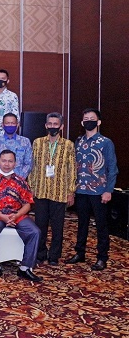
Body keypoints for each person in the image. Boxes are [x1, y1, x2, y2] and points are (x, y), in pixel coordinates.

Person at [66, 108, 118, 271]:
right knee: (82, 223)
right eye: (86, 119)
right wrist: (72, 189)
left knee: (101, 225)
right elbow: (73, 167)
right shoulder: (78, 141)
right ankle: (80, 252)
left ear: (98, 122)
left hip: (99, 191)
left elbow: (112, 168)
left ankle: (102, 257)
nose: (89, 121)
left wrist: (109, 190)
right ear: (82, 123)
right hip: (81, 190)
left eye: (92, 119)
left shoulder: (106, 142)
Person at [0, 150, 42, 282]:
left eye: (10, 161)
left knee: (35, 231)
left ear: (15, 163)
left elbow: (28, 204)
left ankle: (25, 268)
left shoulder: (21, 181)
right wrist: (1, 216)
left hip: (17, 215)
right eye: (4, 161)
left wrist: (16, 215)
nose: (7, 164)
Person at [28, 112, 76, 266]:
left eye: (56, 124)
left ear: (61, 127)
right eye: (50, 124)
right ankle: (41, 253)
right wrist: (31, 187)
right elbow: (33, 166)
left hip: (59, 192)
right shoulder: (37, 143)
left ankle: (54, 255)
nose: (52, 126)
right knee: (40, 225)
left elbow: (72, 169)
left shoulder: (68, 145)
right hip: (40, 190)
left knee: (57, 227)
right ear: (46, 125)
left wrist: (71, 191)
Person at [0, 113, 32, 179]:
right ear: (2, 125)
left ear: (17, 125)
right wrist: (1, 178)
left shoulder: (25, 142)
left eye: (13, 123)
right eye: (7, 123)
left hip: (19, 180)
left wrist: (18, 179)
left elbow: (28, 163)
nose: (10, 125)